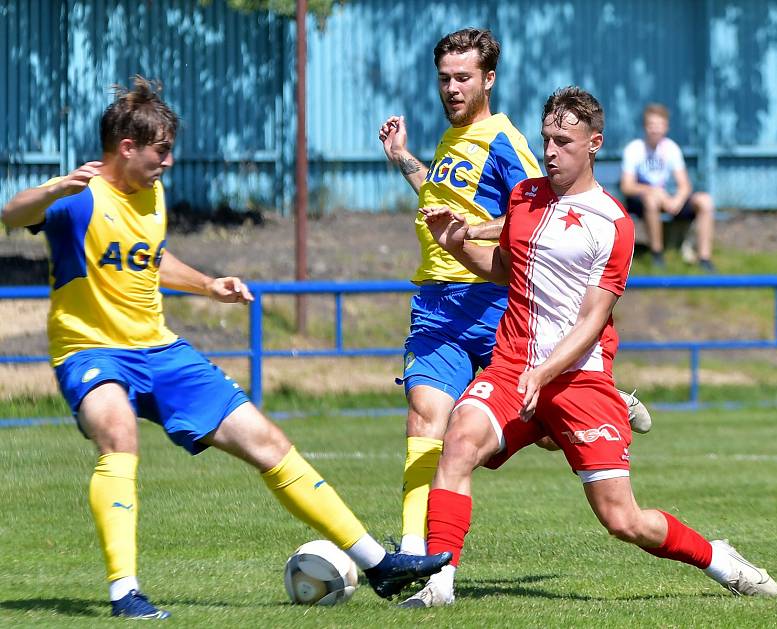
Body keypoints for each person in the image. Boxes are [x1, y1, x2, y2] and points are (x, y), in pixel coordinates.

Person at [0, 76, 450, 620]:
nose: (168, 162)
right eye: (160, 151)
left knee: (266, 440)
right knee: (116, 432)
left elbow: (150, 258)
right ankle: (125, 593)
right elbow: (12, 214)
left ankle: (379, 565)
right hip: (91, 352)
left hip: (159, 350)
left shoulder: (152, 195)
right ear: (126, 148)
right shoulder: (80, 197)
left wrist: (209, 285)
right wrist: (51, 191)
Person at [399, 86, 777, 608]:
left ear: (594, 144)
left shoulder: (613, 223)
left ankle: (718, 558)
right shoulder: (524, 198)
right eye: (547, 139)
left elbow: (592, 320)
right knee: (459, 443)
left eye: (564, 141)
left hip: (578, 379)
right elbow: (505, 272)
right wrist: (455, 245)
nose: (551, 151)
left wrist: (544, 373)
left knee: (624, 521)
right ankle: (440, 582)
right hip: (512, 366)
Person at [378, 29, 651, 558]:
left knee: (545, 425)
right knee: (427, 415)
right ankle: (415, 552)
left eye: (463, 78)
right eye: (445, 79)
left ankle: (609, 401)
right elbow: (442, 199)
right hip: (438, 303)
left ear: (488, 80)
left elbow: (538, 215)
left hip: (495, 302)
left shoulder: (506, 143)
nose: (453, 88)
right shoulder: (449, 139)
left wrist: (474, 231)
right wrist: (404, 159)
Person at [620, 103, 716, 271]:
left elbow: (685, 185)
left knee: (705, 201)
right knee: (651, 200)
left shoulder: (671, 148)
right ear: (645, 127)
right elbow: (627, 186)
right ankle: (657, 254)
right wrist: (653, 192)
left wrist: (677, 200)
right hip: (641, 200)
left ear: (666, 127)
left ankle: (704, 258)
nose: (655, 129)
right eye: (652, 125)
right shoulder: (634, 149)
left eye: (660, 125)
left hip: (667, 198)